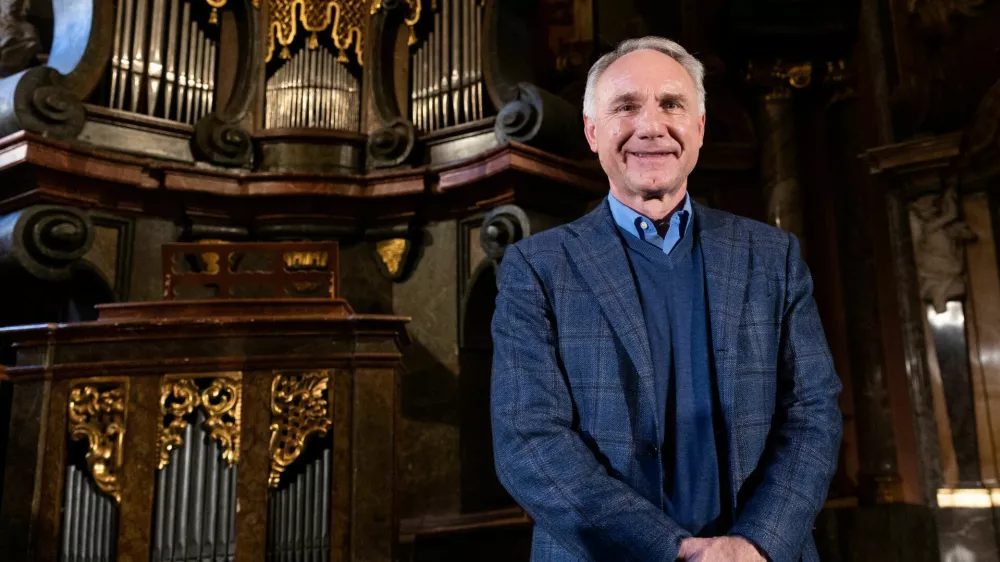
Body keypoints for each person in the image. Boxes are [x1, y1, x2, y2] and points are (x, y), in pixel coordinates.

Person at [490, 36, 843, 562]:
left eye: (672, 104)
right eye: (626, 107)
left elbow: (813, 412)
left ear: (699, 129)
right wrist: (670, 550)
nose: (651, 126)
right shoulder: (536, 269)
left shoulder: (774, 256)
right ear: (592, 131)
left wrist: (755, 543)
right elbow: (529, 440)